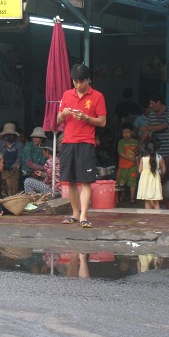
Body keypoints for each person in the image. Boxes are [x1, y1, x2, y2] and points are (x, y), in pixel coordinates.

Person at [57, 63, 107, 229]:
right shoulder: (66, 94)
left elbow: (102, 122)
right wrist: (62, 115)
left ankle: (84, 215)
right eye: (75, 81)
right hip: (68, 142)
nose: (78, 85)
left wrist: (86, 118)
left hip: (86, 142)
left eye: (81, 81)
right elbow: (57, 120)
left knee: (85, 181)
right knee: (70, 181)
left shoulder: (97, 96)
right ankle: (75, 214)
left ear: (88, 80)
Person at [0, 122, 24, 197]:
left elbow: (19, 158)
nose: (9, 137)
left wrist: (16, 165)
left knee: (14, 193)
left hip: (14, 172)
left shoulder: (19, 145)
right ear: (4, 136)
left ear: (14, 135)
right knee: (2, 191)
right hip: (0, 171)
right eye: (7, 135)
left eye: (11, 135)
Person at [137, 139, 165, 209]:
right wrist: (160, 176)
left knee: (147, 201)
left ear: (146, 150)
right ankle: (157, 217)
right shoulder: (159, 159)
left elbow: (140, 171)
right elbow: (163, 170)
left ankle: (148, 217)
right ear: (156, 149)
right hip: (155, 182)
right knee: (156, 202)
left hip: (145, 182)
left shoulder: (143, 159)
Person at [115, 123, 139, 204]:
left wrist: (136, 160)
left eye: (127, 132)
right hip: (123, 166)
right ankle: (122, 195)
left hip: (133, 166)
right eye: (124, 133)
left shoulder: (136, 142)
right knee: (121, 182)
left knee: (133, 181)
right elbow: (120, 153)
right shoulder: (121, 142)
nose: (125, 134)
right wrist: (131, 158)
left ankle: (132, 198)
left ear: (132, 132)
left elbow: (138, 153)